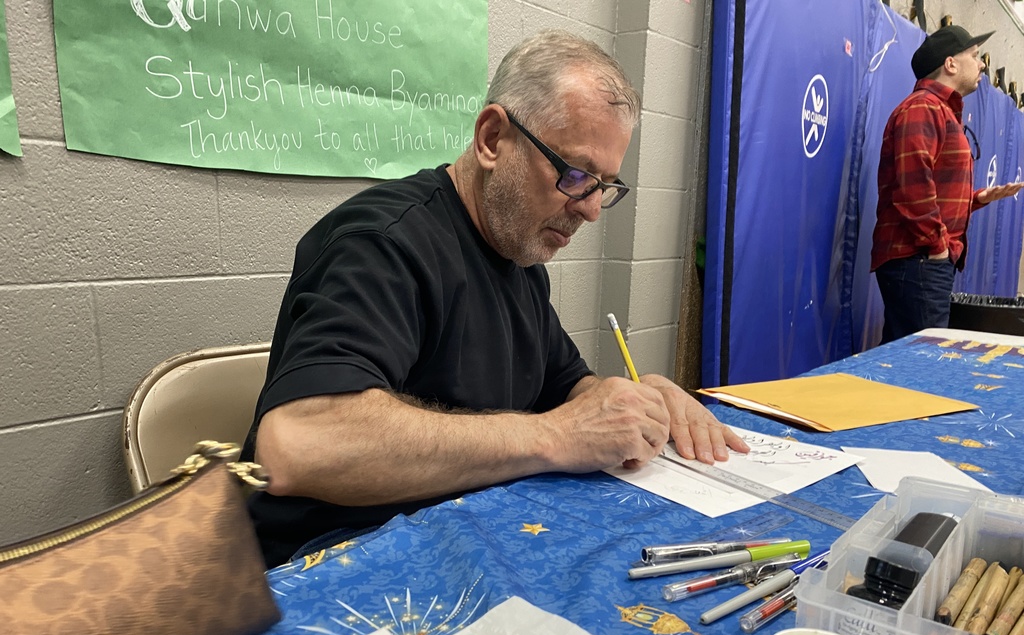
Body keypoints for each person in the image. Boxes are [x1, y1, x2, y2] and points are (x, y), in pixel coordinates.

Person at [243, 30, 748, 567]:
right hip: (329, 563)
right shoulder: (380, 242)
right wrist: (554, 435)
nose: (592, 210)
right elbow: (299, 445)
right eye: (576, 174)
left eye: (604, 185)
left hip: (454, 537)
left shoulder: (518, 253)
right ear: (491, 138)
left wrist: (630, 402)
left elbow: (567, 388)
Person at [870, 25, 1024, 344]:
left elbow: (931, 189)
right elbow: (912, 189)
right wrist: (938, 247)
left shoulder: (939, 111)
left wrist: (978, 197)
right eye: (975, 56)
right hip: (921, 260)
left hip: (924, 261)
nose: (982, 64)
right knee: (922, 364)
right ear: (951, 64)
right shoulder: (923, 108)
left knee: (907, 361)